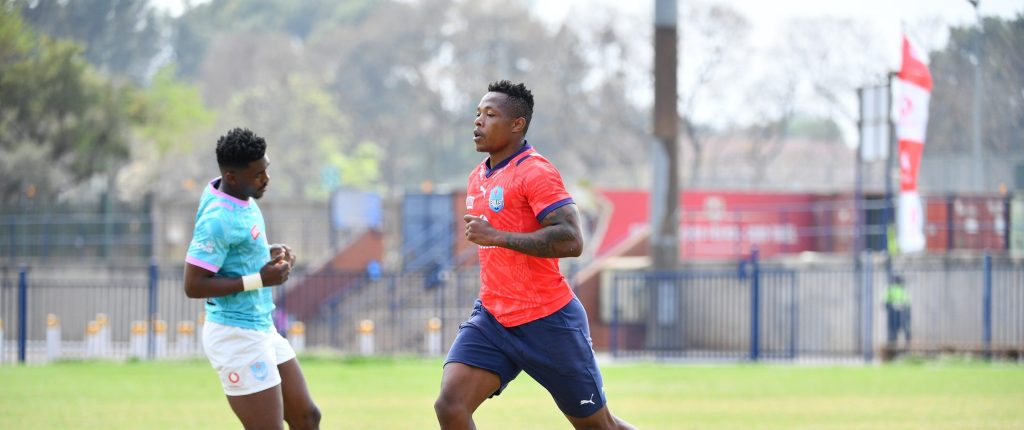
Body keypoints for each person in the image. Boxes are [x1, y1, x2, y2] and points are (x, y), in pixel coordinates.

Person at [434, 81, 635, 430]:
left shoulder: (536, 172)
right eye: (477, 114)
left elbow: (572, 240)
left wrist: (495, 236)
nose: (478, 122)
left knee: (600, 427)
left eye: (490, 114)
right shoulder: (477, 177)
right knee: (450, 405)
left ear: (517, 125)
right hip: (494, 318)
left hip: (548, 321)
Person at [183, 127, 321, 430]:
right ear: (232, 176)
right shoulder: (217, 219)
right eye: (258, 174)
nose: (266, 179)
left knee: (307, 417)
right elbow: (193, 285)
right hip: (235, 335)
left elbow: (234, 251)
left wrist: (265, 253)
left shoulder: (239, 194)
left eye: (266, 170)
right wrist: (259, 279)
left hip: (261, 327)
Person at [885, 274, 911, 346]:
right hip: (894, 312)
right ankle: (893, 344)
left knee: (902, 328)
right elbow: (886, 300)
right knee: (894, 329)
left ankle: (905, 345)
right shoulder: (891, 288)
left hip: (901, 312)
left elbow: (907, 300)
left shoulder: (901, 288)